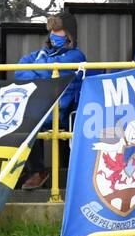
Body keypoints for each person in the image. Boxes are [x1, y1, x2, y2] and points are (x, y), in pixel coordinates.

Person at [14, 11, 86, 190]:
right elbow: (19, 70)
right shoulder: (40, 54)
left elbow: (48, 74)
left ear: (69, 34)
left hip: (60, 110)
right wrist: (40, 71)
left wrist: (36, 71)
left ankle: (38, 171)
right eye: (52, 31)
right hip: (37, 105)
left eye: (59, 31)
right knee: (15, 120)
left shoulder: (76, 56)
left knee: (29, 121)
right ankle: (23, 170)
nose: (54, 35)